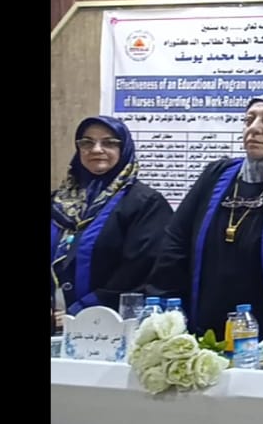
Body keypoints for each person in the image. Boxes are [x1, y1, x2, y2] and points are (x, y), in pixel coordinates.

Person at [146, 93, 263, 338]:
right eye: (249, 120)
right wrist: (165, 307)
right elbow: (176, 239)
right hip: (203, 323)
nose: (254, 128)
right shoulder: (218, 174)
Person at [50, 116, 173, 331]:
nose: (96, 149)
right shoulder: (57, 202)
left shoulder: (145, 204)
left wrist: (82, 310)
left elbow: (139, 269)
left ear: (123, 149)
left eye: (109, 142)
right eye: (86, 142)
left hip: (108, 326)